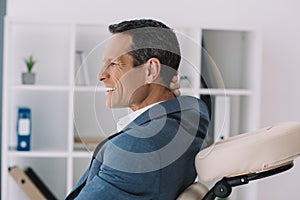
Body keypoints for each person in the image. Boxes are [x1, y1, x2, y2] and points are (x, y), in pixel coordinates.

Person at [66, 19, 210, 200]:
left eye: (114, 64)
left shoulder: (134, 148)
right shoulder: (190, 117)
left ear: (151, 70)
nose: (101, 75)